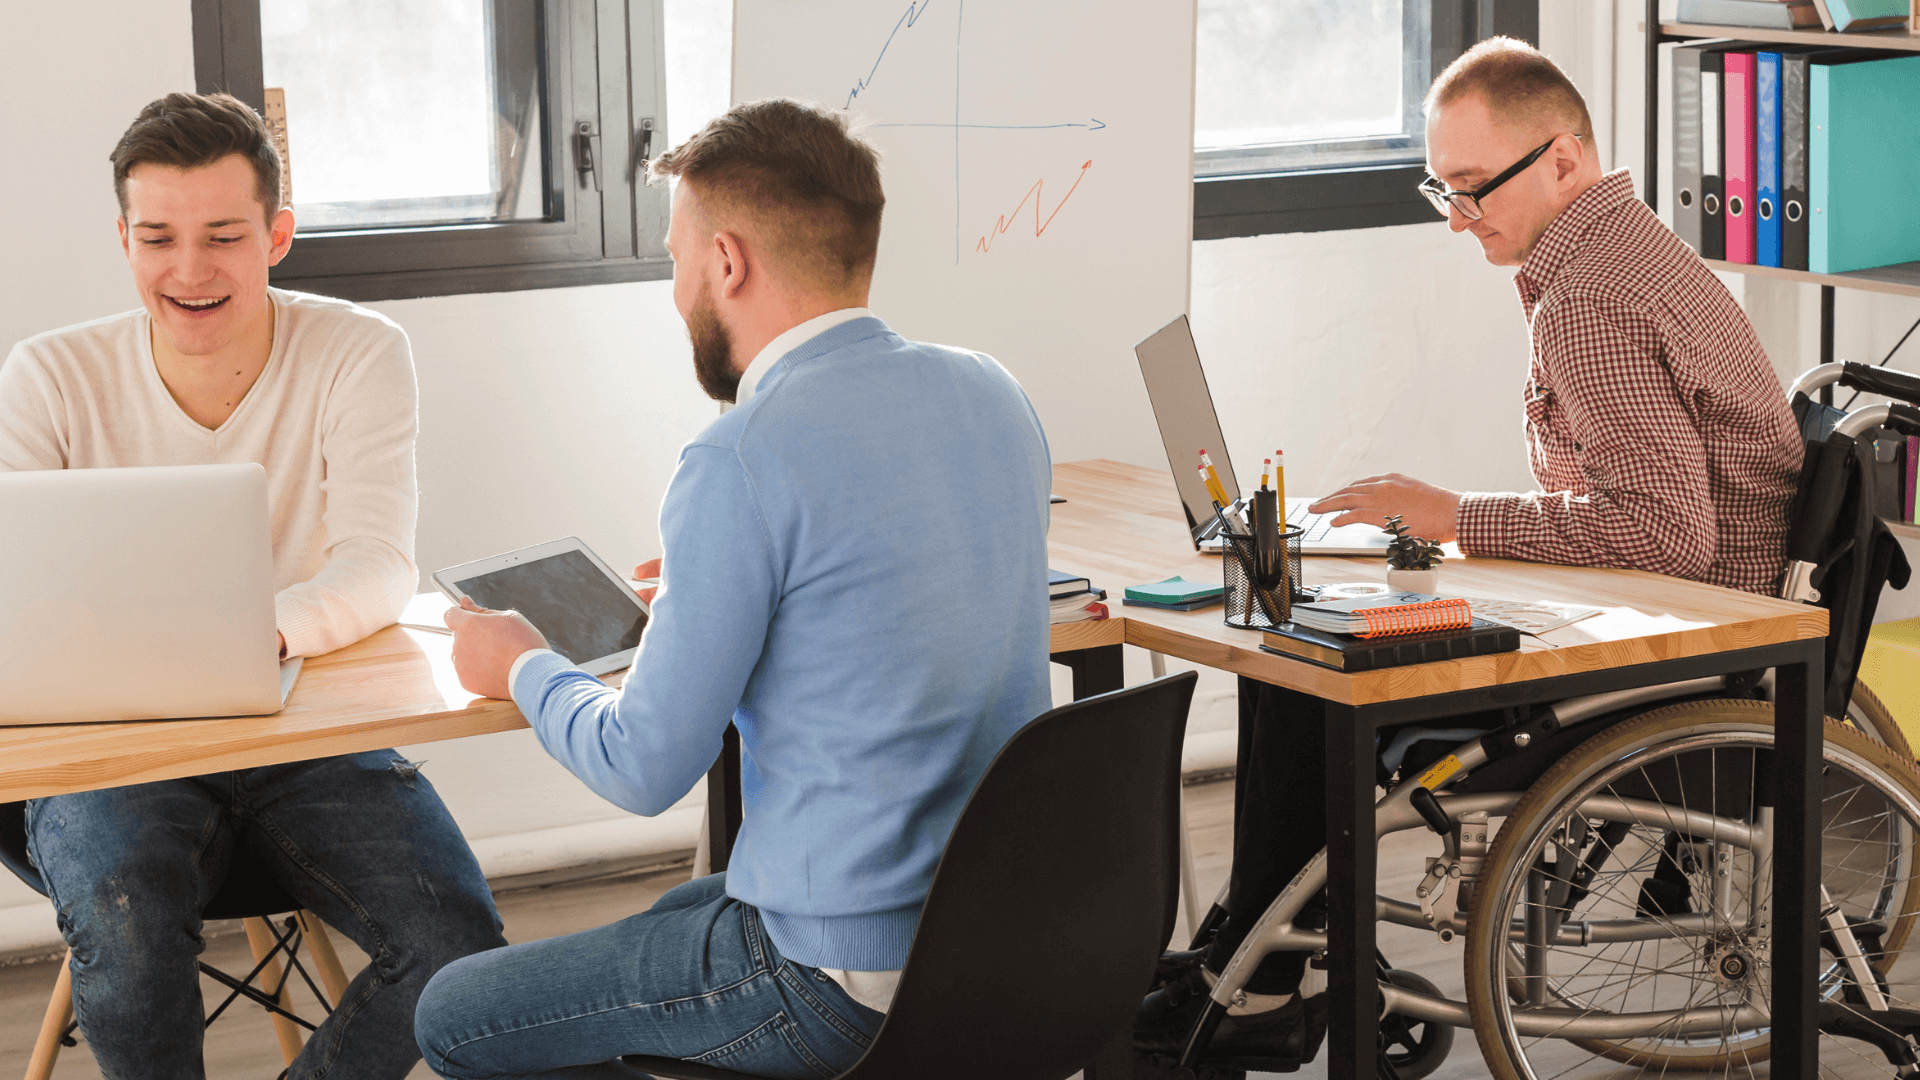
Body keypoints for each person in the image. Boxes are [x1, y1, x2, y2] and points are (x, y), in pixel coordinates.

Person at [1135, 37, 1803, 1070]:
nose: (1457, 218)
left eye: (1473, 189)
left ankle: (1260, 979)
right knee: (1295, 645)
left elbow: (1665, 535)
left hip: (1672, 642)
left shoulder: (1588, 300)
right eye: (1440, 189)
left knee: (1316, 668)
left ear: (1565, 161)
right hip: (1669, 612)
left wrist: (1449, 517)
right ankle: (1250, 953)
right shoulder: (1619, 250)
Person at [414, 98, 1054, 1079]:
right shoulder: (993, 391)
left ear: (726, 262)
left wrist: (522, 665)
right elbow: (889, 588)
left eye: (674, 261)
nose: (675, 294)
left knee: (456, 1011)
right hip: (999, 939)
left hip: (836, 981)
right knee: (685, 907)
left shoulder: (740, 455)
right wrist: (750, 587)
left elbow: (642, 768)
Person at [0, 92, 506, 1080]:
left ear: (277, 234)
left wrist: (257, 633)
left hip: (303, 727)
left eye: (223, 236)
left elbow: (376, 561)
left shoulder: (357, 352)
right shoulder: (49, 376)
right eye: (158, 238)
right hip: (114, 746)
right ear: (124, 239)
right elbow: (19, 590)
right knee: (131, 937)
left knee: (459, 951)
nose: (189, 270)